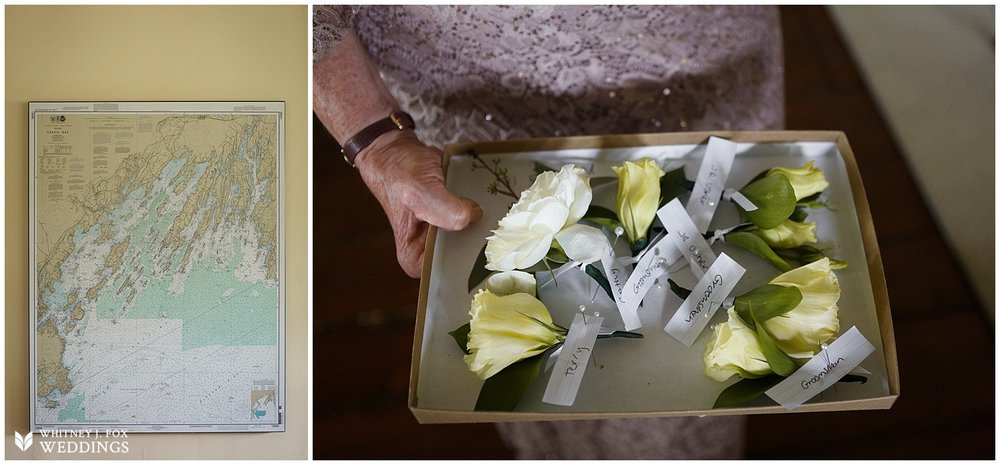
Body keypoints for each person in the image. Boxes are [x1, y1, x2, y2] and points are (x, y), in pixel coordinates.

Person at [314, 5, 783, 458]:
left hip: (712, 80)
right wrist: (376, 141)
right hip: (480, 117)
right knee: (541, 350)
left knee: (702, 354)